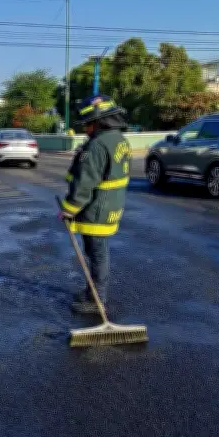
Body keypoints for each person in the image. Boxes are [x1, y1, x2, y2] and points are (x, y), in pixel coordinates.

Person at [58, 95, 131, 314]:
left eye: (88, 124)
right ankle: (92, 292)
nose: (85, 129)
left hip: (96, 207)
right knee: (96, 252)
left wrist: (68, 209)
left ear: (99, 122)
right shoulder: (118, 139)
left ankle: (97, 300)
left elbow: (84, 183)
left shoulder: (97, 145)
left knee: (97, 254)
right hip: (110, 204)